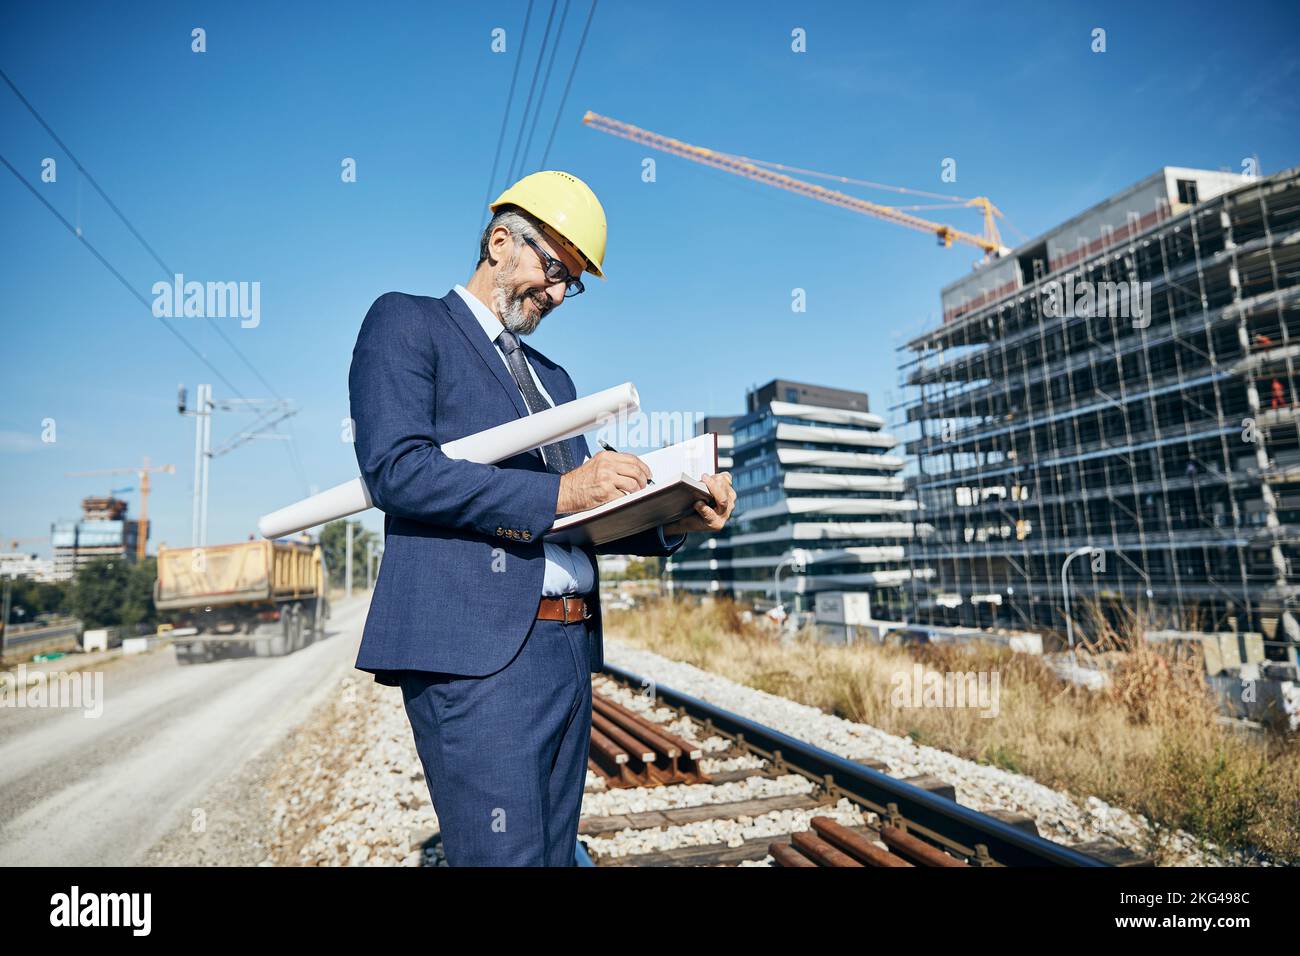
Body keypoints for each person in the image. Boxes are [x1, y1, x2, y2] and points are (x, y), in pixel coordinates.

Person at [347, 170, 736, 866]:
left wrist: (679, 515)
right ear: (501, 242)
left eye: (571, 282)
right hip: (477, 654)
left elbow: (582, 516)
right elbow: (398, 470)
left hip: (567, 651)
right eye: (555, 268)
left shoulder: (554, 382)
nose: (557, 294)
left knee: (552, 858)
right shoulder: (408, 323)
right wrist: (564, 493)